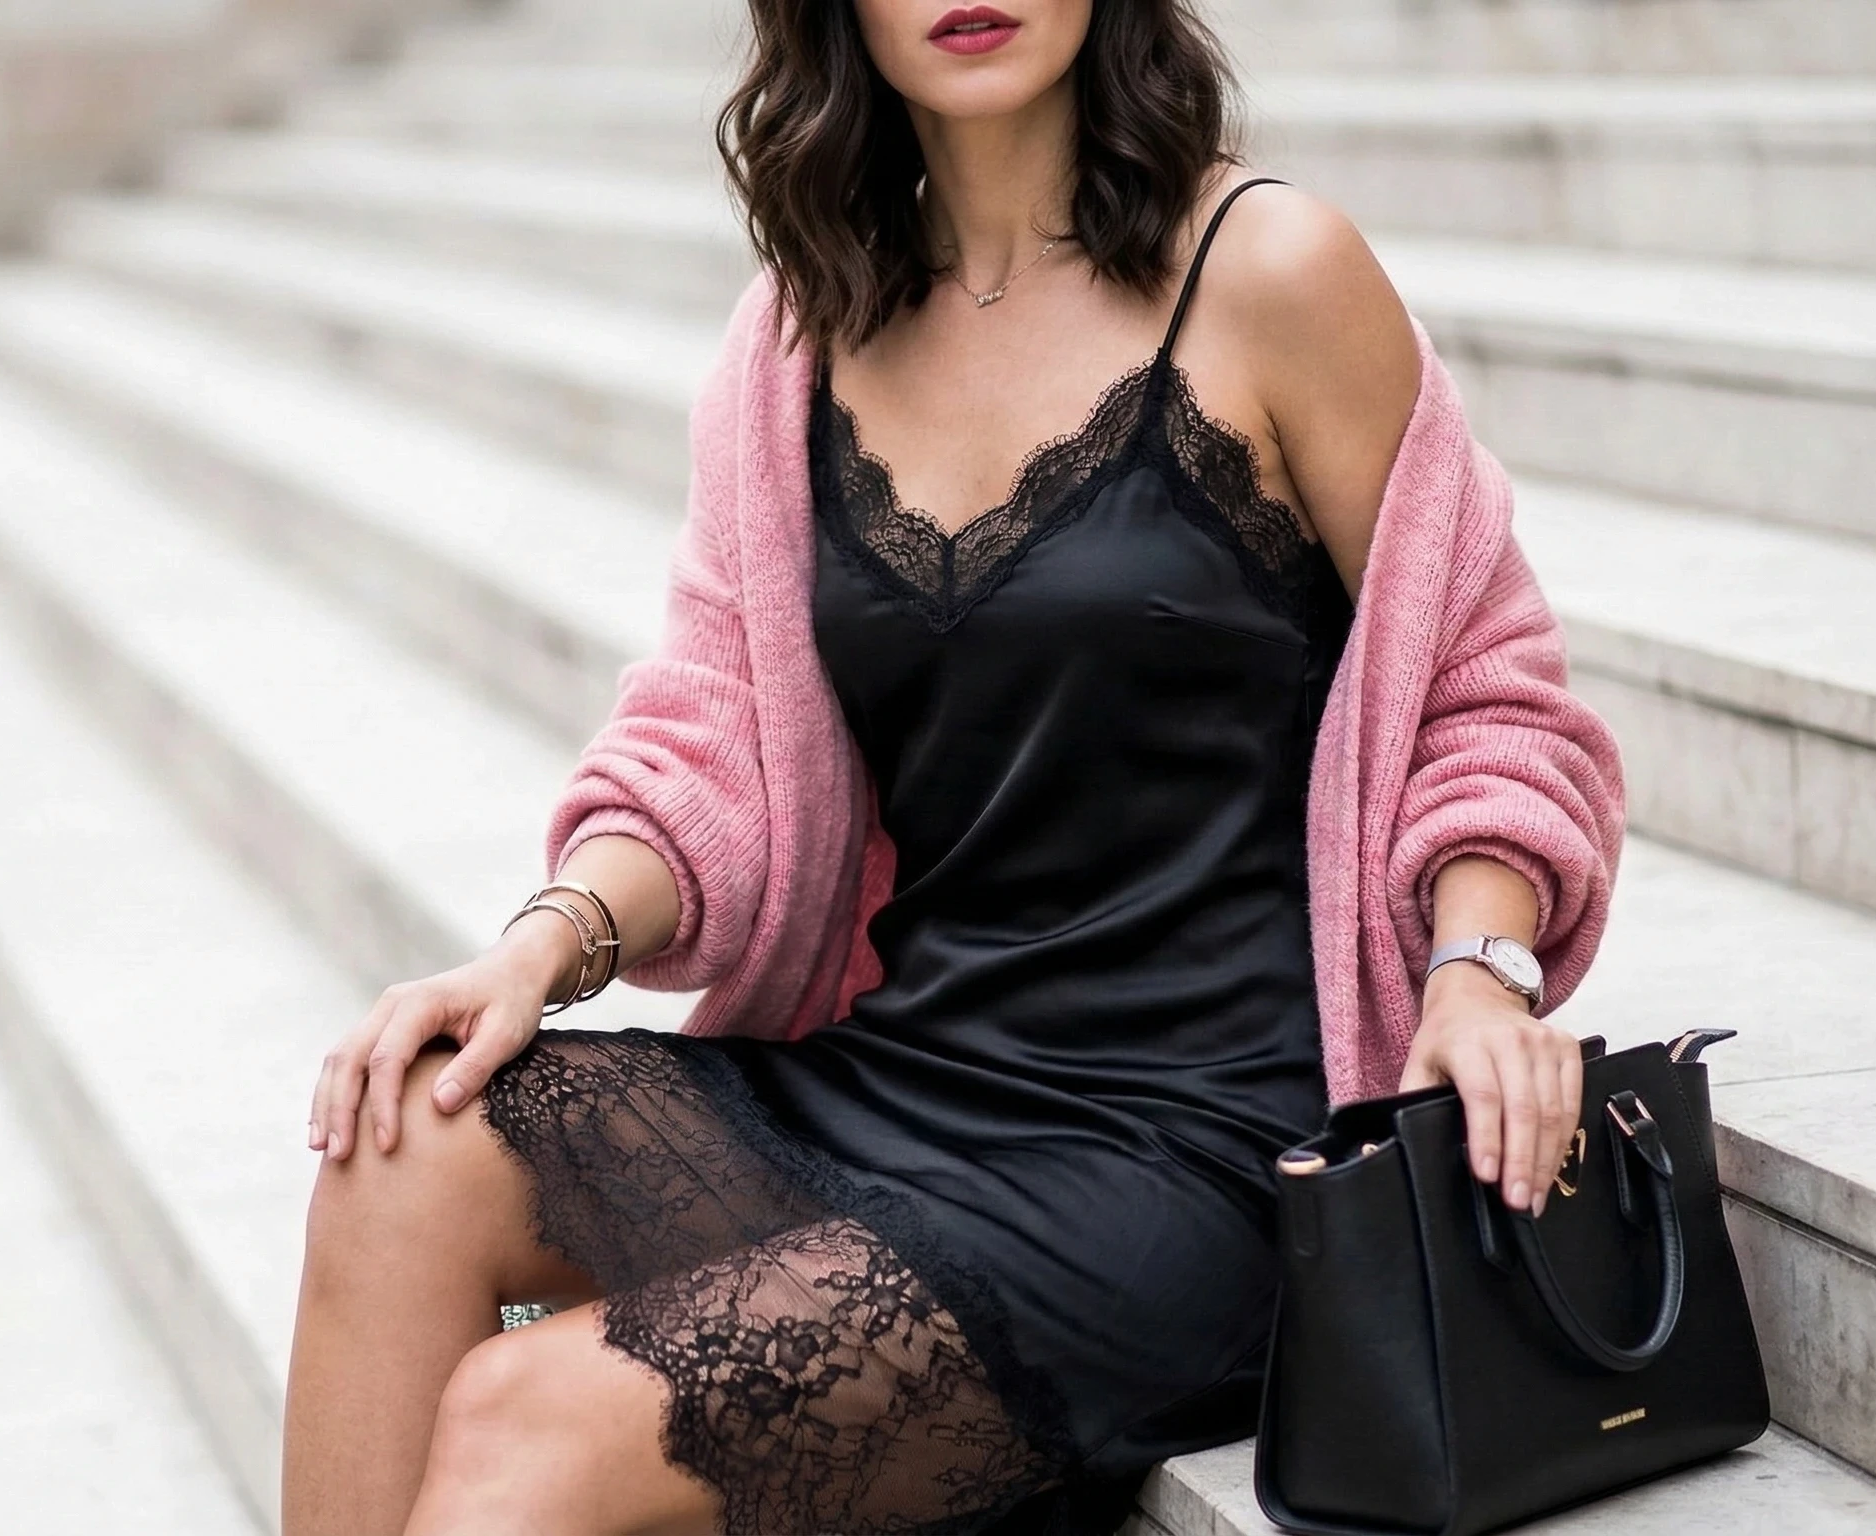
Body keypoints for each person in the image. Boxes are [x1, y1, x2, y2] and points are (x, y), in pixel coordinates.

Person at [288, 1, 1625, 1531]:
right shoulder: (800, 334)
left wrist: (1476, 966)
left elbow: (1486, 683)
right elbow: (709, 732)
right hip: (904, 1078)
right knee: (404, 1149)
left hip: (1195, 1149)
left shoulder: (1272, 273)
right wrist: (547, 943)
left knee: (531, 1420)